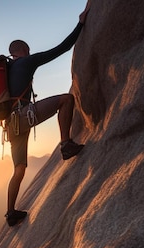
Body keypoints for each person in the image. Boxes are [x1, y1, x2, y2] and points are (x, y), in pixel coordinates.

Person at [5, 3, 91, 227]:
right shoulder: (27, 62)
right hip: (24, 115)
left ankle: (10, 213)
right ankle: (65, 144)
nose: (30, 53)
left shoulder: (5, 70)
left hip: (10, 125)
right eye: (28, 50)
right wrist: (80, 23)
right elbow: (62, 48)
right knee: (66, 99)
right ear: (23, 51)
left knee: (19, 169)